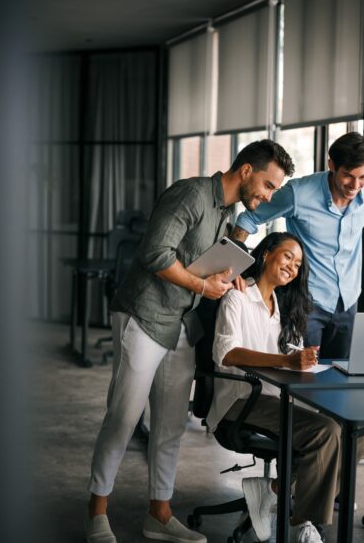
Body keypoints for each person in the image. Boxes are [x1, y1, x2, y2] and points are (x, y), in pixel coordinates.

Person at [86, 140, 295, 543]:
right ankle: (96, 512)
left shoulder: (227, 212)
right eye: (268, 186)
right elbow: (156, 253)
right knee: (124, 417)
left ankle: (158, 515)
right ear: (247, 170)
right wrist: (203, 283)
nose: (269, 197)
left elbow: (202, 260)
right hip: (143, 315)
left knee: (169, 425)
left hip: (182, 323)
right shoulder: (192, 193)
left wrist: (226, 275)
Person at [207, 232, 364, 543]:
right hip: (242, 398)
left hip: (277, 395)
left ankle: (276, 491)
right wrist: (285, 361)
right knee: (326, 432)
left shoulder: (279, 306)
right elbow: (226, 353)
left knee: (356, 426)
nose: (292, 267)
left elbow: (286, 358)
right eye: (287, 257)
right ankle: (307, 523)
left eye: (298, 264)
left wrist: (301, 360)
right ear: (267, 254)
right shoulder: (237, 297)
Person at [231, 132, 364, 359]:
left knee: (340, 378)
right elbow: (248, 219)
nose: (355, 185)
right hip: (306, 302)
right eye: (348, 176)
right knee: (303, 377)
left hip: (348, 301)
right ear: (332, 165)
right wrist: (233, 267)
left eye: (362, 177)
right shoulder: (298, 194)